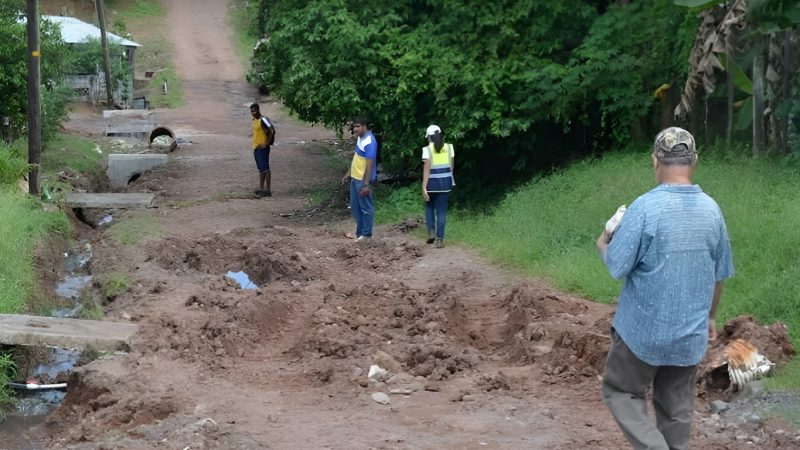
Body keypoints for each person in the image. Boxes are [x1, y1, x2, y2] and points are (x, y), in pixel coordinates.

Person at [595, 127, 734, 450]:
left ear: (655, 160)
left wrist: (604, 239)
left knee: (620, 390)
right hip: (689, 335)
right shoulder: (713, 211)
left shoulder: (644, 209)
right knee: (676, 410)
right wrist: (710, 318)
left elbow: (617, 265)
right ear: (694, 161)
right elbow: (719, 275)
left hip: (642, 334)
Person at [341, 117, 377, 242]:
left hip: (362, 180)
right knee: (355, 206)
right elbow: (356, 157)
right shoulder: (360, 138)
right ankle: (360, 233)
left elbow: (369, 164)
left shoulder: (369, 141)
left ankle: (367, 234)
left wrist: (366, 183)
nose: (355, 129)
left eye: (357, 126)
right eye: (354, 127)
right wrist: (348, 173)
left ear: (364, 126)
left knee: (366, 208)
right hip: (355, 178)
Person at [421, 125, 454, 248]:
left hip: (431, 184)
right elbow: (451, 167)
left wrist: (424, 188)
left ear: (429, 137)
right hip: (445, 184)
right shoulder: (450, 148)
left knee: (429, 208)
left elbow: (426, 171)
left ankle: (431, 232)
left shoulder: (427, 149)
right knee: (441, 212)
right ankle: (440, 240)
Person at [250, 103, 275, 197]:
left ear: (258, 110)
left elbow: (272, 130)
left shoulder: (263, 120)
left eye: (255, 111)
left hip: (263, 148)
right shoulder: (255, 121)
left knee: (266, 169)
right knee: (261, 169)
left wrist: (266, 143)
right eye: (252, 111)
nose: (253, 113)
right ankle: (261, 189)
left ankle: (268, 190)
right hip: (256, 147)